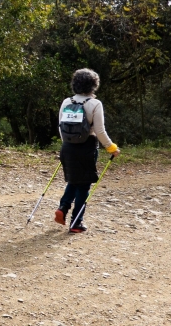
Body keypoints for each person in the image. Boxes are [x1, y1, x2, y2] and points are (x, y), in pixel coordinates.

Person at [55, 68, 119, 233]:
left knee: (74, 180)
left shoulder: (66, 102)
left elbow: (61, 127)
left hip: (67, 147)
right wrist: (112, 148)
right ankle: (76, 222)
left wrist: (68, 145)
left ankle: (63, 207)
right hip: (87, 147)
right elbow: (100, 131)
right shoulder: (95, 104)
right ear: (93, 86)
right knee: (84, 186)